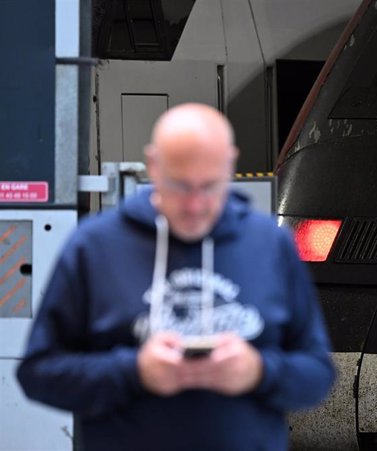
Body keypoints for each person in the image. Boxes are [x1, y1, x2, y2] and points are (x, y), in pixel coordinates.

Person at [16, 103, 335, 451]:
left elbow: (318, 374)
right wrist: (134, 372)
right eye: (180, 185)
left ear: (230, 162)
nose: (195, 204)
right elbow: (38, 373)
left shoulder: (270, 244)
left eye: (209, 186)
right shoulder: (95, 246)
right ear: (153, 165)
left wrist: (258, 371)